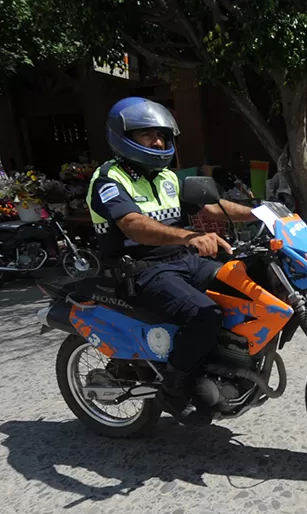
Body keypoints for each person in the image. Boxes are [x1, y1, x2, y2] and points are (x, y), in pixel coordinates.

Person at [86, 97, 257, 424]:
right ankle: (175, 388)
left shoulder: (168, 177)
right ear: (123, 136)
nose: (159, 142)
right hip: (141, 270)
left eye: (163, 135)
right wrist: (190, 237)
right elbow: (133, 225)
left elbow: (212, 205)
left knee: (245, 283)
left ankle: (228, 364)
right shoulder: (108, 179)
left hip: (183, 261)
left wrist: (265, 213)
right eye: (147, 134)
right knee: (204, 314)